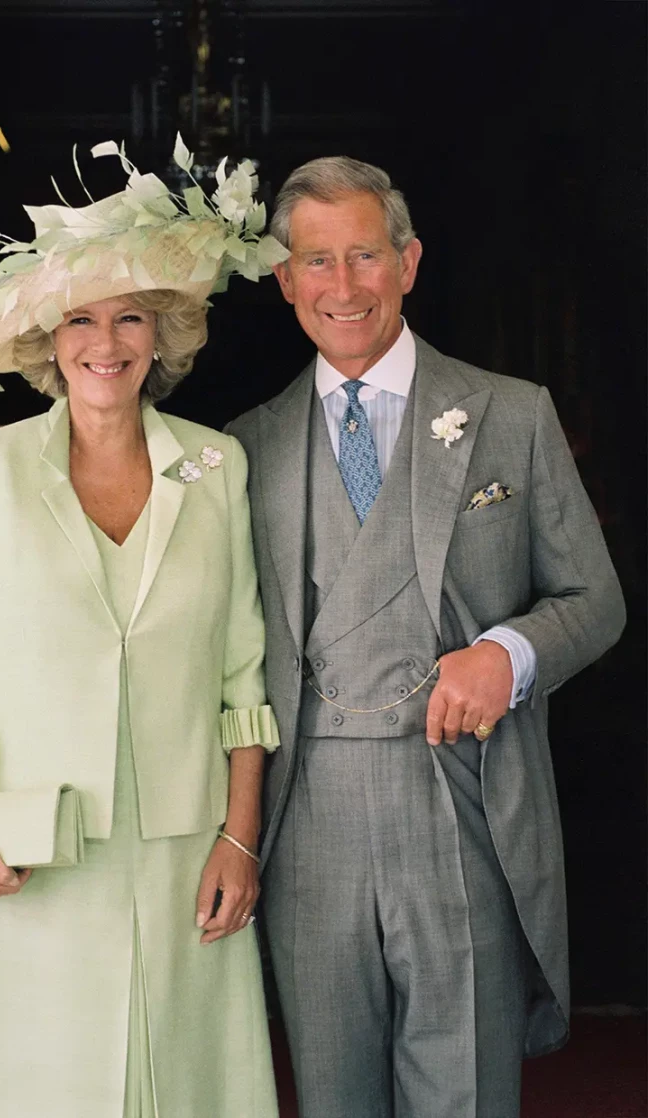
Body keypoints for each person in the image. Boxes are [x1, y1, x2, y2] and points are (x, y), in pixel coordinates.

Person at [0, 140, 289, 1118]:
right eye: (83, 320)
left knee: (188, 1088)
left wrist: (240, 836)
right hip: (34, 850)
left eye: (130, 316)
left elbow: (242, 676)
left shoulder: (214, 467)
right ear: (49, 340)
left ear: (163, 332)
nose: (108, 342)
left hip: (188, 848)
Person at [227, 156, 626, 1118]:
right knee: (332, 1099)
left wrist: (509, 654)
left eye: (365, 254)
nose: (343, 285)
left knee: (467, 1097)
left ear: (410, 262)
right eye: (316, 262)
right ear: (284, 282)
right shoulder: (243, 448)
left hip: (464, 804)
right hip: (308, 817)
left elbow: (596, 599)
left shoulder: (510, 413)